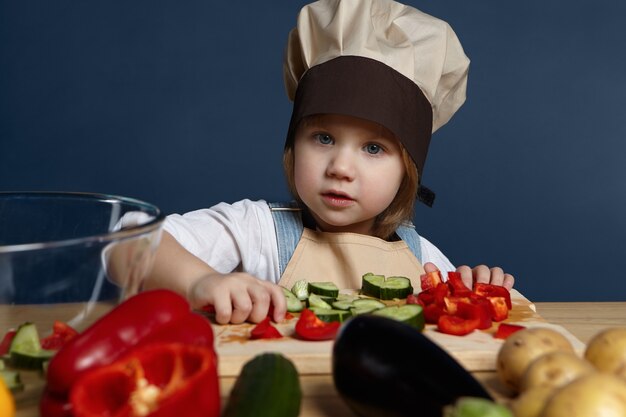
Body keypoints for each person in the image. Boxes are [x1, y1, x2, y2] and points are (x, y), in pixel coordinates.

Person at [143, 0, 515, 324]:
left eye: (373, 148)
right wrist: (201, 282)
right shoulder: (256, 232)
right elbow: (132, 243)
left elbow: (491, 318)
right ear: (293, 145)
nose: (340, 167)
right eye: (323, 138)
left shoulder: (425, 260)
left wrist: (474, 289)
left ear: (407, 170)